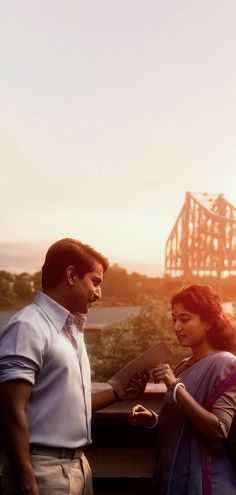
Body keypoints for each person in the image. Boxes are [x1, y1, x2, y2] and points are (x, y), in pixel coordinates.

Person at [0, 238, 147, 495]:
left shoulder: (71, 333)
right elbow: (11, 409)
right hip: (42, 469)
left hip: (78, 466)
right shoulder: (27, 327)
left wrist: (117, 392)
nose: (99, 293)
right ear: (71, 275)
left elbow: (69, 404)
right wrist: (27, 479)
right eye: (95, 281)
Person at [129, 284, 236, 495]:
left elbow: (219, 429)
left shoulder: (227, 364)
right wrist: (153, 419)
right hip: (173, 478)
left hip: (208, 483)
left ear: (208, 322)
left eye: (185, 319)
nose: (176, 326)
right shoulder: (183, 366)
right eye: (174, 319)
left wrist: (176, 386)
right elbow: (184, 423)